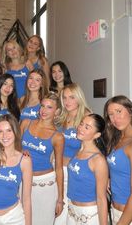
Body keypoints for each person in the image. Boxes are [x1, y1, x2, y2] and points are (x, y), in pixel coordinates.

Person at [21, 92, 65, 225]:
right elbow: (14, 149)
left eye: (49, 107)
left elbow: (59, 168)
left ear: (57, 111)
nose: (44, 110)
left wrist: (60, 199)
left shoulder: (58, 137)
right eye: (42, 106)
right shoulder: (26, 123)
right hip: (23, 181)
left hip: (45, 185)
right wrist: (21, 151)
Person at [0, 114, 32, 225]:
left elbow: (26, 198)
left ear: (15, 132)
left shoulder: (24, 160)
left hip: (13, 218)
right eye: (0, 131)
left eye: (9, 130)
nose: (5, 136)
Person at [55, 83, 91, 225]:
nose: (67, 101)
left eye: (72, 97)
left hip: (74, 172)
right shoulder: (61, 117)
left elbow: (90, 149)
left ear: (79, 98)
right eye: (64, 98)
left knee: (68, 214)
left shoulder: (86, 117)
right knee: (58, 212)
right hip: (57, 169)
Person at [104, 95, 132, 225]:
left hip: (131, 218)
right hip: (115, 210)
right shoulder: (117, 139)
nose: (115, 118)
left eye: (119, 111)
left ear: (131, 111)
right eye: (111, 114)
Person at [67, 113, 108, 224]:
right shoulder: (78, 151)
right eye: (81, 124)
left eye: (87, 127)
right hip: (71, 211)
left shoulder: (98, 160)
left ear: (96, 135)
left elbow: (101, 198)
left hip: (89, 215)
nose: (80, 128)